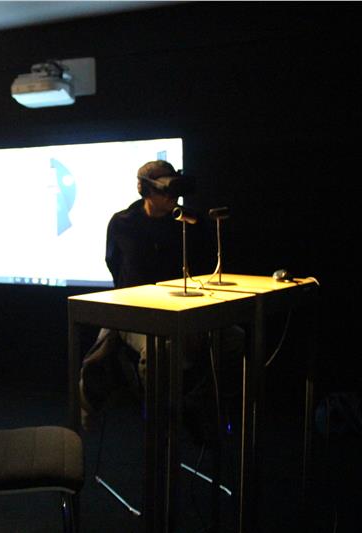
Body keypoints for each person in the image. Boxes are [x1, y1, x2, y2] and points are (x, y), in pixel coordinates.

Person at [81, 160, 242, 444]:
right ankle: (161, 432)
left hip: (182, 309)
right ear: (144, 190)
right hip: (136, 313)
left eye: (175, 190)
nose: (172, 197)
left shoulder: (187, 221)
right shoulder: (123, 223)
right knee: (158, 350)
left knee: (234, 337)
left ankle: (193, 404)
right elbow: (113, 263)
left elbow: (203, 265)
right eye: (165, 190)